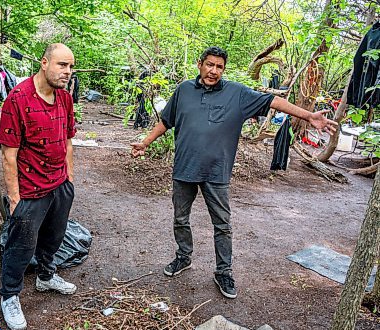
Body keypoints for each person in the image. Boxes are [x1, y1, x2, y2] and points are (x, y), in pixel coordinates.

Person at [131, 46, 337, 300]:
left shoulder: (236, 93)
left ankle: (223, 272)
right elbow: (166, 121)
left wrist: (308, 116)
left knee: (222, 226)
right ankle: (183, 258)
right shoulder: (184, 89)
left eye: (219, 67)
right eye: (209, 65)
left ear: (223, 69)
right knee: (180, 218)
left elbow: (272, 101)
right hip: (184, 169)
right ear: (200, 64)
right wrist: (145, 142)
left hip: (216, 173)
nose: (213, 71)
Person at [0, 43, 76, 330]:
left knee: (54, 237)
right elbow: (8, 154)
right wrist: (14, 198)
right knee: (20, 246)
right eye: (61, 65)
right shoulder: (18, 99)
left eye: (70, 66)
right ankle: (9, 296)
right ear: (44, 62)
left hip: (59, 185)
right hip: (30, 190)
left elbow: (68, 139)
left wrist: (69, 178)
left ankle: (45, 276)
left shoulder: (65, 98)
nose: (67, 72)